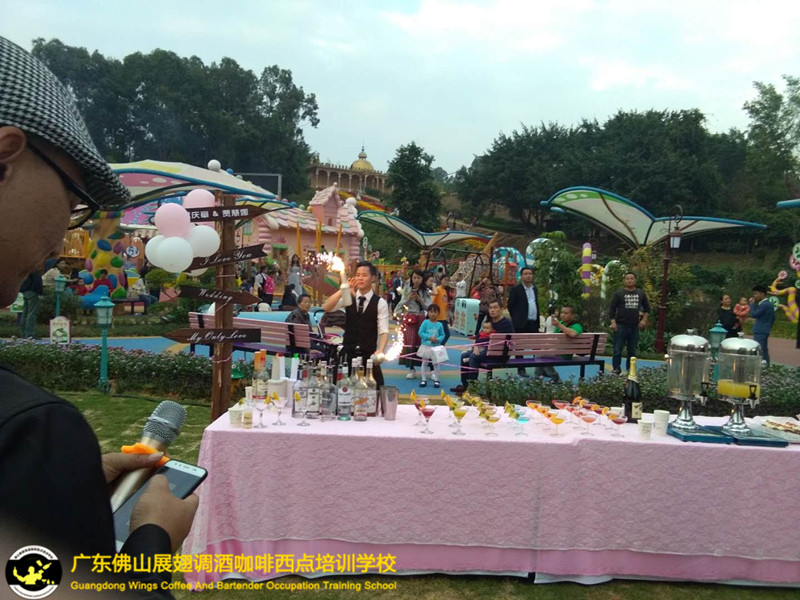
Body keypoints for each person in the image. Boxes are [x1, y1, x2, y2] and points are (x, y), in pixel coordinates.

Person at [0, 36, 196, 597]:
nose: (65, 235)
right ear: (5, 157)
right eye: (73, 200)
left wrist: (66, 483)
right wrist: (153, 538)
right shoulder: (28, 433)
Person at [323, 261, 389, 387]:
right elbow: (327, 307)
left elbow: (383, 330)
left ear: (373, 278)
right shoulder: (349, 298)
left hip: (368, 355)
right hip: (347, 354)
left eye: (364, 275)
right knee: (340, 390)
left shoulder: (380, 303)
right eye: (358, 275)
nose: (360, 278)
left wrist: (380, 350)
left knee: (375, 391)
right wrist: (343, 289)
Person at [458, 299, 514, 390]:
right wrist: (476, 346)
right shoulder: (489, 321)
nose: (492, 310)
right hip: (486, 351)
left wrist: (478, 344)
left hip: (499, 354)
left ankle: (473, 388)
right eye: (490, 308)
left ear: (501, 309)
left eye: (495, 308)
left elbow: (493, 340)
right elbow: (480, 335)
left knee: (473, 357)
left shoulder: (506, 324)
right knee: (464, 356)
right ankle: (465, 385)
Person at [608, 272, 650, 374]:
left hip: (634, 326)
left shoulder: (640, 293)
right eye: (627, 279)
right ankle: (616, 369)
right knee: (617, 349)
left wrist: (643, 320)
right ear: (624, 280)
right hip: (620, 325)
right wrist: (613, 322)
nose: (629, 280)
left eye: (631, 278)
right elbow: (612, 309)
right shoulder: (618, 294)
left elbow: (647, 309)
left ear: (635, 280)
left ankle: (630, 369)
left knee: (632, 350)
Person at [394, 269, 432, 379]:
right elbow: (400, 304)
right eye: (414, 277)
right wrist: (408, 299)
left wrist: (420, 300)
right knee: (410, 343)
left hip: (421, 317)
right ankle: (411, 369)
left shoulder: (425, 291)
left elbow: (429, 307)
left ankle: (429, 368)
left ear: (422, 279)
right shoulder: (407, 289)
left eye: (418, 278)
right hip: (410, 318)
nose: (416, 280)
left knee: (423, 343)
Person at [533, 305, 584, 383]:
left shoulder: (576, 325)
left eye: (566, 313)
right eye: (562, 312)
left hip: (565, 354)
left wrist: (559, 325)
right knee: (542, 355)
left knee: (540, 355)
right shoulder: (561, 323)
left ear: (572, 315)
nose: (563, 315)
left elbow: (573, 334)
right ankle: (553, 378)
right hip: (556, 351)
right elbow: (554, 339)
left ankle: (549, 378)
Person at [507, 266, 540, 376]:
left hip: (533, 322)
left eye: (530, 274)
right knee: (520, 347)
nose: (528, 276)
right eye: (525, 274)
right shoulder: (516, 289)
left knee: (536, 346)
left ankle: (540, 368)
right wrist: (516, 318)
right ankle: (521, 369)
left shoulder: (534, 289)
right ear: (521, 276)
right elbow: (510, 306)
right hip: (521, 323)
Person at [417, 304, 445, 388]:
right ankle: (423, 379)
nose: (433, 314)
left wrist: (438, 339)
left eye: (435, 312)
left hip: (436, 347)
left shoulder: (440, 324)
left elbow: (443, 335)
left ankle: (437, 380)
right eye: (431, 312)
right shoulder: (425, 322)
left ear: (438, 313)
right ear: (428, 313)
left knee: (436, 364)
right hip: (426, 346)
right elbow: (420, 332)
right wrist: (429, 337)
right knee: (424, 363)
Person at [749, 284, 776, 367]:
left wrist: (752, 304)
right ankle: (766, 366)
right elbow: (773, 318)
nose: (754, 296)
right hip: (764, 330)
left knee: (760, 349)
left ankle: (762, 366)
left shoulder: (764, 304)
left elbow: (754, 314)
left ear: (762, 294)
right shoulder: (768, 304)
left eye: (756, 294)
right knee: (764, 350)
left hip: (760, 330)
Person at [19, 268, 43, 338]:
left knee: (25, 313)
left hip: (25, 291)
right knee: (32, 314)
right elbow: (37, 281)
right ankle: (30, 334)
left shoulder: (25, 268)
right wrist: (40, 292)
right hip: (33, 292)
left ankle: (23, 333)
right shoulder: (34, 268)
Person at [430, 273, 452, 345]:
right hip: (438, 317)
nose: (446, 281)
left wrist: (448, 305)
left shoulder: (445, 290)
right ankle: (438, 347)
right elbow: (432, 302)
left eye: (447, 280)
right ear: (441, 280)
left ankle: (439, 347)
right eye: (445, 280)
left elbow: (444, 303)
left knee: (444, 335)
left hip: (444, 316)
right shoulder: (438, 289)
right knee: (444, 335)